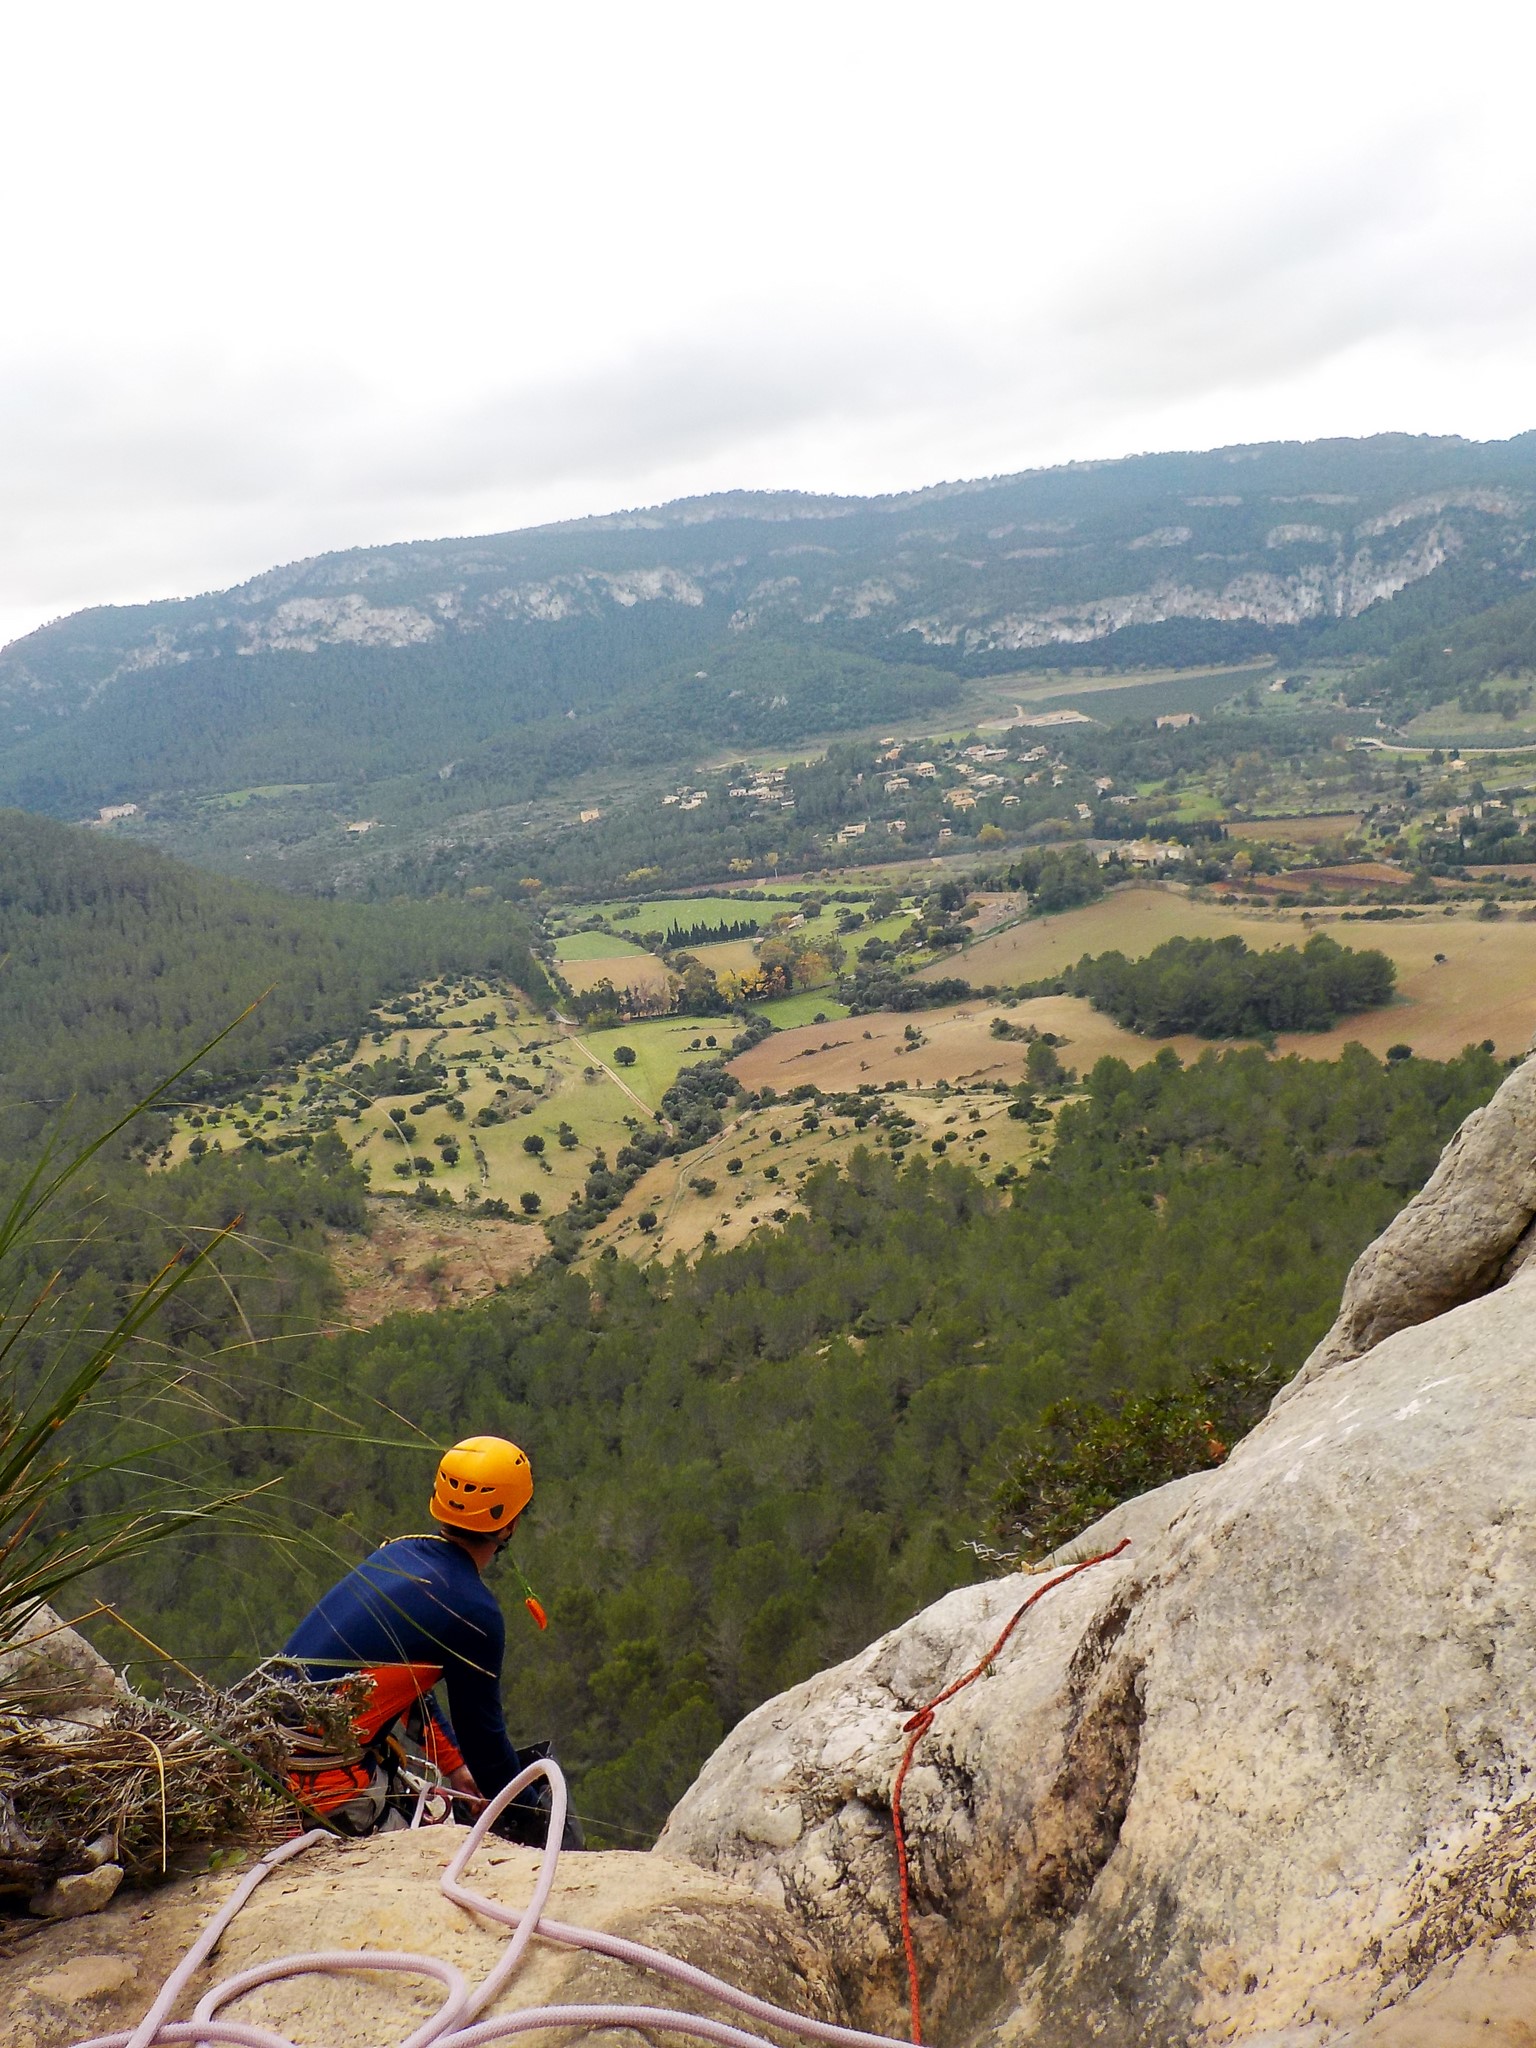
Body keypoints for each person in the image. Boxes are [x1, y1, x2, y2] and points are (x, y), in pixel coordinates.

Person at [282, 1434, 549, 1835]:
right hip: (324, 1788)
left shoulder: (395, 1554)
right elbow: (487, 1746)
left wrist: (454, 1766)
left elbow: (403, 1683)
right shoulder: (473, 1610)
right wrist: (535, 1818)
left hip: (270, 1755)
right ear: (509, 1523)